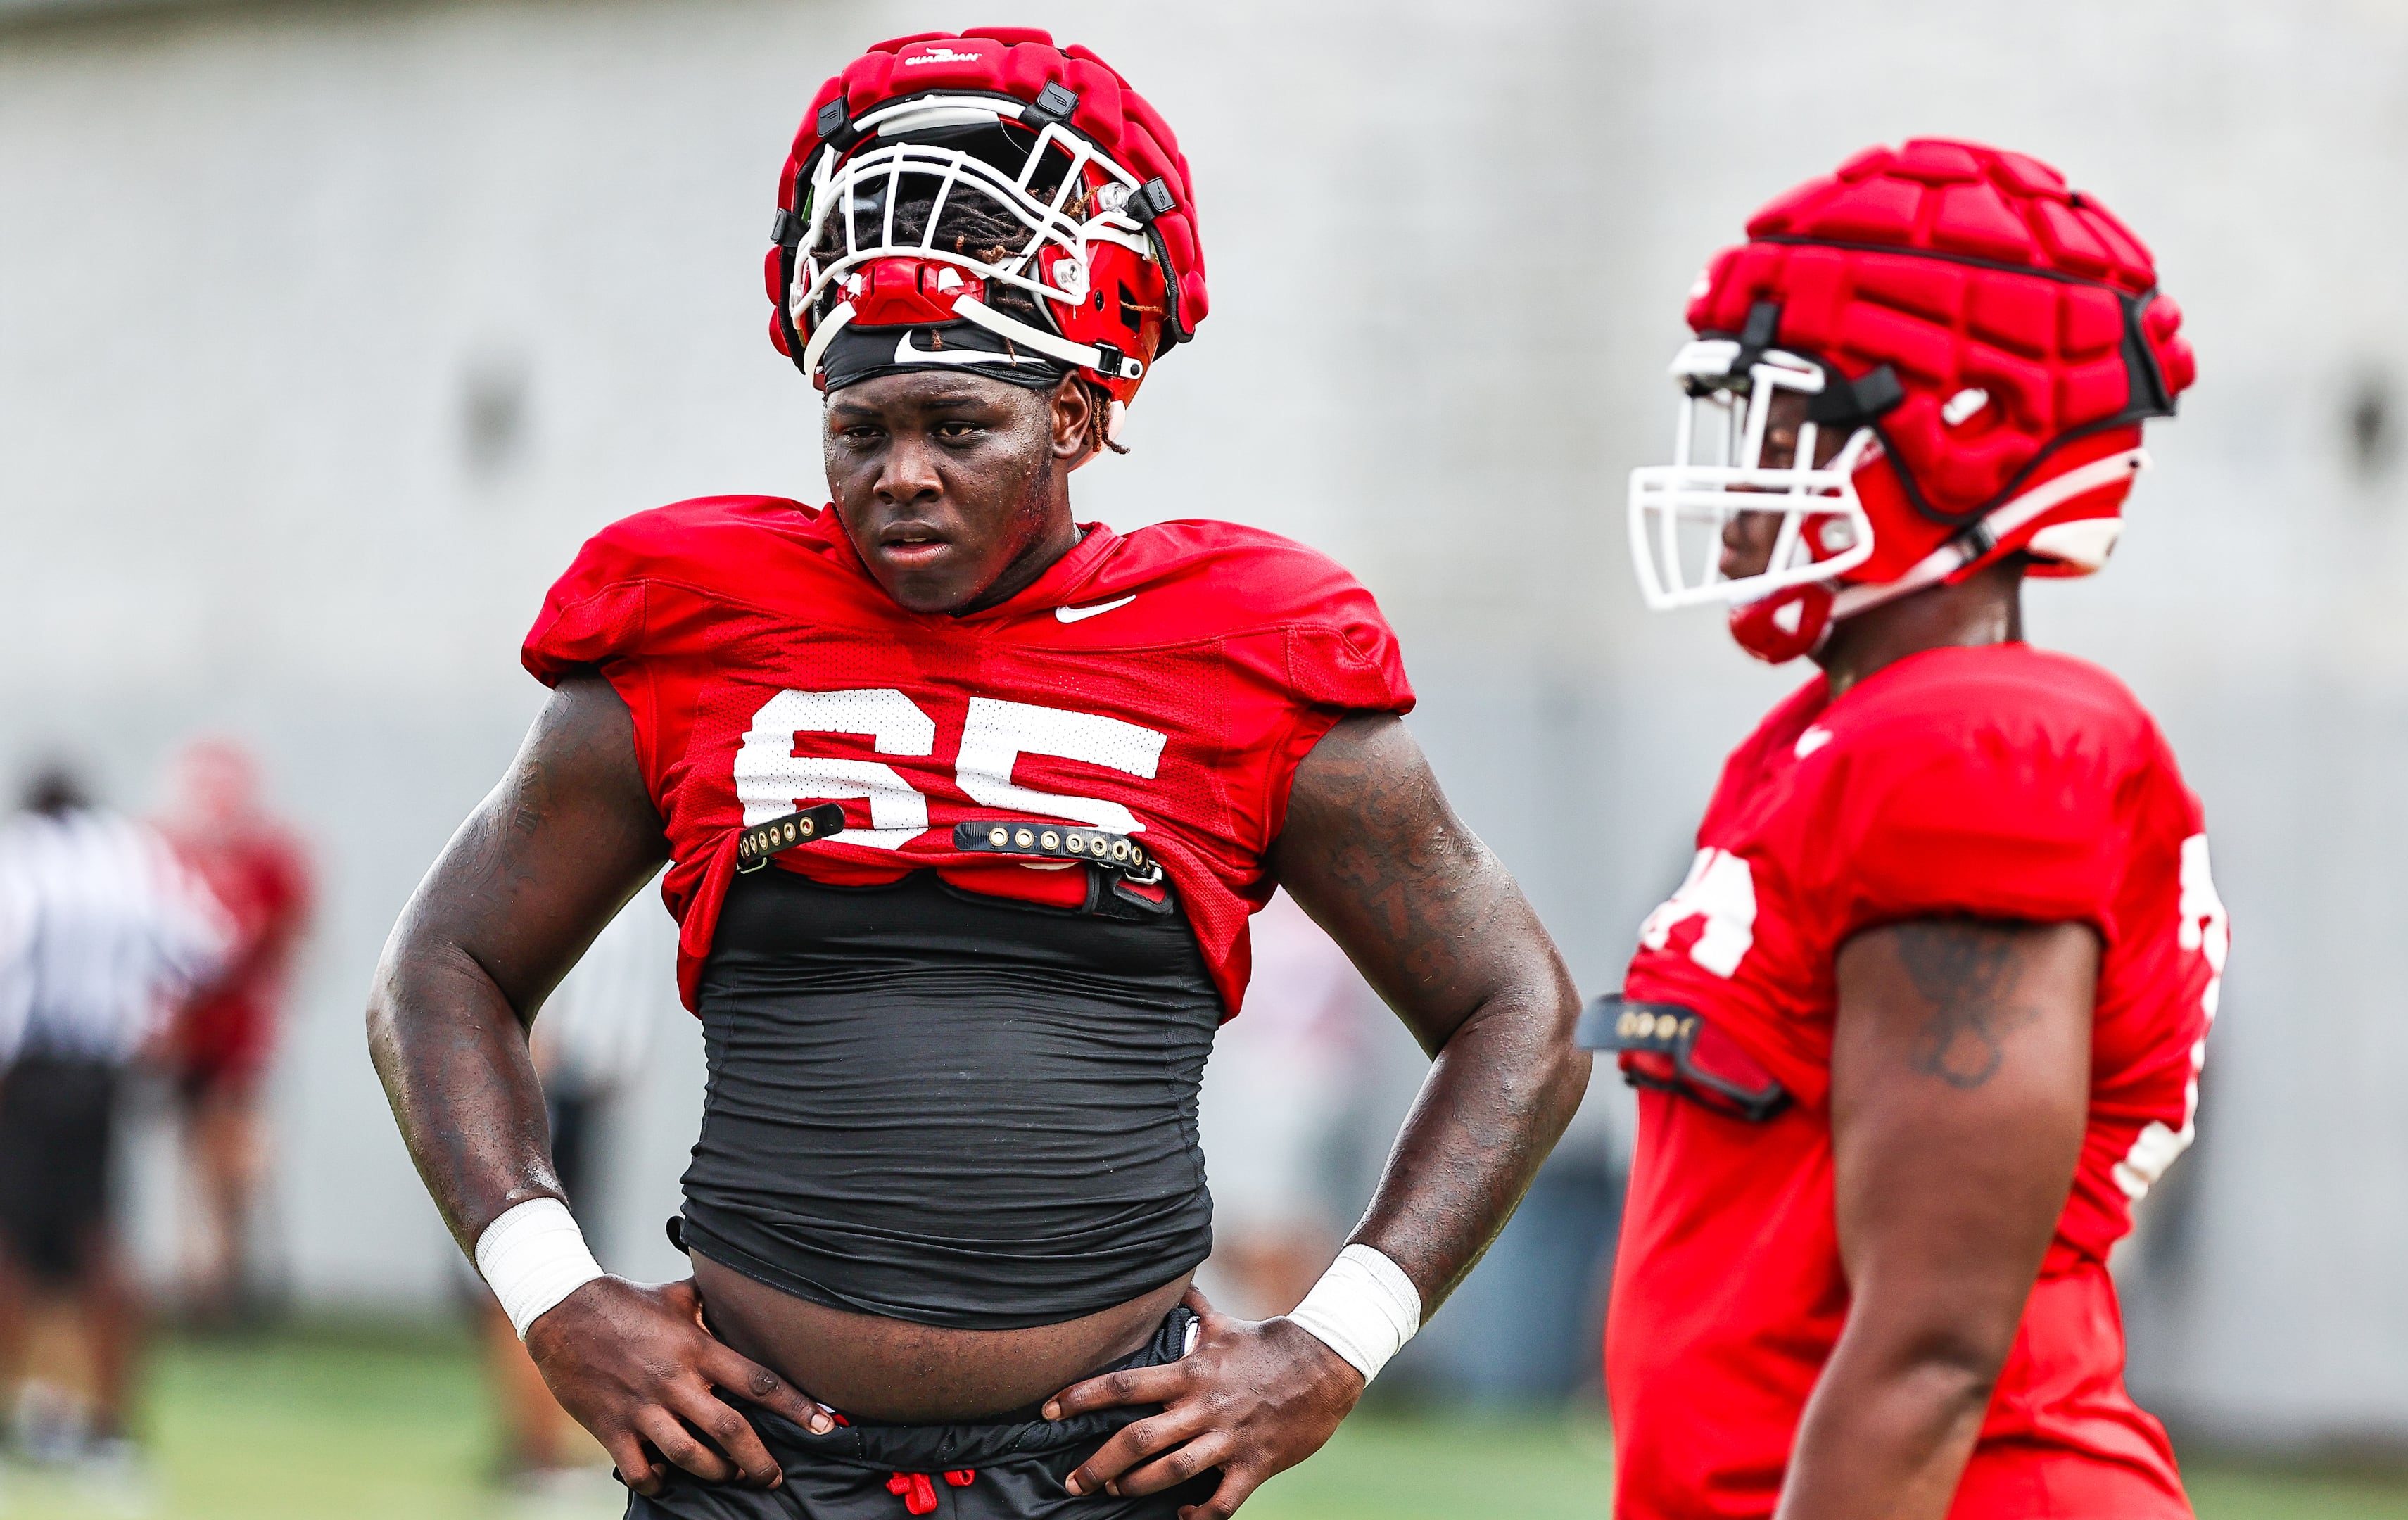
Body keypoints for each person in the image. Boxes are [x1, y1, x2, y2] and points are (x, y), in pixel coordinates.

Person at [365, 29, 1590, 1520]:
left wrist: (1336, 1343)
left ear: (1074, 419)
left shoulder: (1244, 645)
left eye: (959, 427)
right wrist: (554, 1292)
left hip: (1101, 1472)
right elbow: (440, 968)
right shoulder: (701, 618)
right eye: (860, 429)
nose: (901, 475)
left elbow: (1518, 1010)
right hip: (750, 1466)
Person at [1589, 140, 2219, 1519]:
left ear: (1962, 431)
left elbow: (1932, 1351)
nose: (1747, 472)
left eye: (1787, 421)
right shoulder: (1832, 733)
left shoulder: (1968, 751)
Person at [0, 766, 227, 1473]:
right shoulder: (129, 855)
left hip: (28, 1069)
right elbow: (209, 944)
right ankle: (107, 1422)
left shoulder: (22, 856)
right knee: (98, 1238)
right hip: (100, 1072)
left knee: (12, 1245)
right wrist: (161, 1024)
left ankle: (19, 1410)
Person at [483, 889, 677, 1490]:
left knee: (581, 1263)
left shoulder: (637, 876)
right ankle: (535, 1443)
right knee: (533, 1258)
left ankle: (554, 1439)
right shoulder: (577, 857)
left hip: (590, 1092)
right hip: (554, 1087)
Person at [152, 737, 314, 1328]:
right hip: (195, 1036)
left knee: (233, 1158)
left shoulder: (266, 862)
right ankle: (211, 1279)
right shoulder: (172, 855)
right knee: (200, 1158)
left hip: (238, 1039)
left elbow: (289, 941)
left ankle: (225, 1278)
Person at [1193, 890, 1368, 1319]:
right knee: (1272, 1231)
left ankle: (1283, 1348)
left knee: (1268, 1233)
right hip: (1298, 1084)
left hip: (1278, 1085)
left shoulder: (1297, 916)